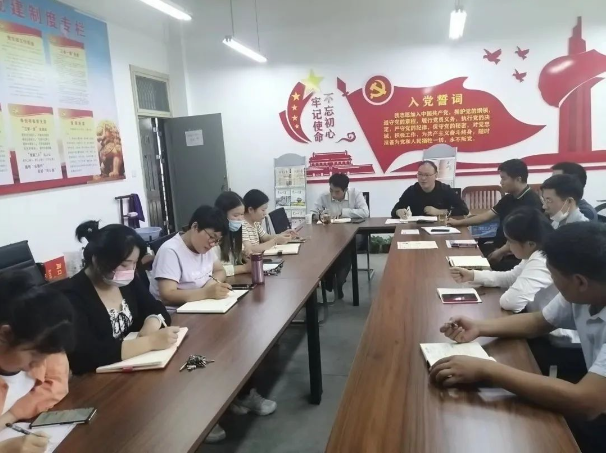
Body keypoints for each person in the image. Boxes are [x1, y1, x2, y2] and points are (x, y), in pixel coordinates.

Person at [431, 222, 606, 453]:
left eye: (554, 277)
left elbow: (586, 402)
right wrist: (479, 327)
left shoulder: (578, 290)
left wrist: (486, 369)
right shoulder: (582, 292)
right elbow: (539, 322)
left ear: (580, 281)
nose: (553, 283)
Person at [65, 221, 178, 374]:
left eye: (134, 263)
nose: (130, 270)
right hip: (99, 379)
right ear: (97, 260)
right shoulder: (72, 295)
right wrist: (149, 342)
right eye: (125, 264)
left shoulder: (125, 280)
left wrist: (152, 322)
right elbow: (84, 356)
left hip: (135, 366)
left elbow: (155, 307)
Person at [0, 271, 75, 453]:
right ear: (4, 335)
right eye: (33, 355)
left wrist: (11, 415)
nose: (40, 364)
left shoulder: (42, 342)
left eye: (46, 356)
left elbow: (58, 383)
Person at [450, 207, 557, 313]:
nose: (507, 245)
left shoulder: (541, 260)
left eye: (510, 241)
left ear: (530, 244)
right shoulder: (535, 253)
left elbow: (511, 302)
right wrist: (473, 275)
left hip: (545, 322)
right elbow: (511, 278)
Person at [449, 159, 542, 271]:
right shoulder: (509, 198)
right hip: (498, 248)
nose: (501, 182)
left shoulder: (532, 203)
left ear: (518, 179)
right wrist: (458, 222)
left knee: (465, 268)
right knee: (457, 258)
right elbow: (485, 216)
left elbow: (522, 237)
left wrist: (500, 252)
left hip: (514, 255)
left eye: (504, 178)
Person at [150, 206, 232, 305]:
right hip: (177, 311)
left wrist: (209, 288)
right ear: (195, 227)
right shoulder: (170, 251)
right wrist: (206, 293)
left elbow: (220, 270)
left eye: (217, 240)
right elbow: (167, 295)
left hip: (201, 304)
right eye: (211, 236)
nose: (212, 244)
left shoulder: (205, 246)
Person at [311, 174, 369, 299]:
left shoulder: (355, 194)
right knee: (329, 249)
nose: (333, 194)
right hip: (330, 234)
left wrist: (343, 212)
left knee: (346, 248)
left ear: (345, 190)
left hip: (353, 232)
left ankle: (336, 282)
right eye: (331, 190)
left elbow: (365, 212)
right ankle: (332, 279)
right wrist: (319, 215)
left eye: (337, 192)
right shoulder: (324, 196)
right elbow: (313, 213)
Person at [391, 161, 469, 219]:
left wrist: (440, 212)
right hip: (417, 230)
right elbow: (395, 210)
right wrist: (398, 212)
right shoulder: (412, 190)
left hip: (441, 228)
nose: (423, 178)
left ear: (436, 175)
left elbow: (464, 210)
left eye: (427, 175)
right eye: (420, 174)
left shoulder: (445, 190)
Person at [242, 190, 297, 254]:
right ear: (250, 210)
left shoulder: (255, 223)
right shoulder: (242, 226)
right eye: (263, 210)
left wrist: (282, 234)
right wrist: (275, 241)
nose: (265, 213)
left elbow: (266, 237)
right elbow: (250, 250)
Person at [214, 191, 251, 276]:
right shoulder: (214, 237)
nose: (240, 219)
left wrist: (242, 256)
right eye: (235, 215)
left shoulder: (233, 233)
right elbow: (214, 271)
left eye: (242, 214)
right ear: (222, 215)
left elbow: (233, 261)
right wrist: (244, 268)